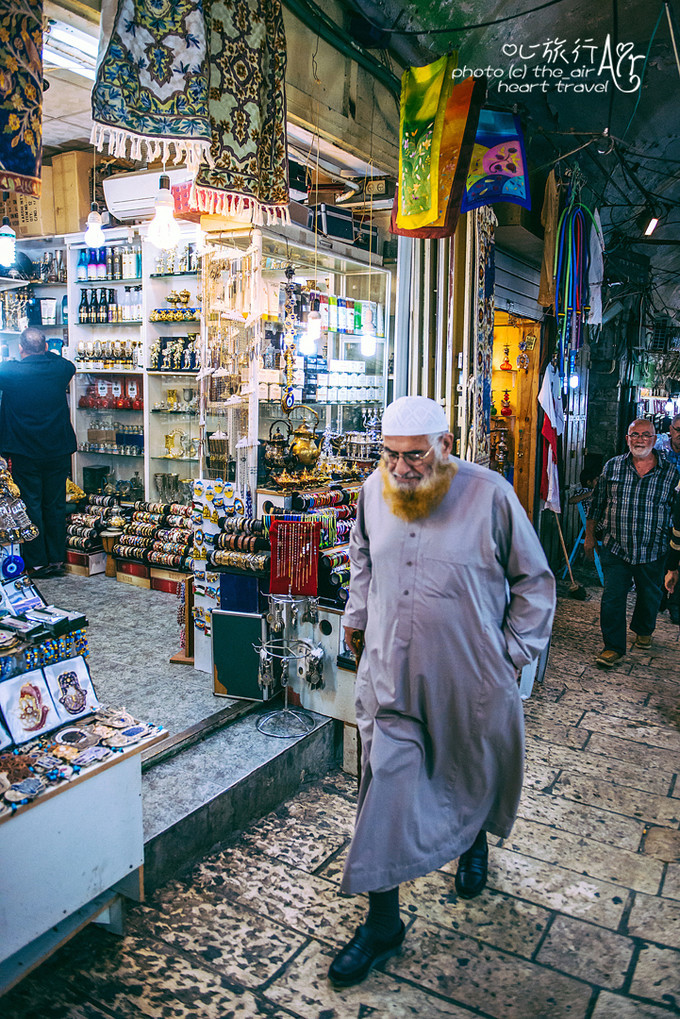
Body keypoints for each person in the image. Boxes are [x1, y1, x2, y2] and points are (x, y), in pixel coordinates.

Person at [328, 395, 556, 989]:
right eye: (391, 456)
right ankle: (383, 922)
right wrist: (356, 618)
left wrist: (511, 654)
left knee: (464, 765)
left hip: (466, 674)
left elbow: (534, 580)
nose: (401, 469)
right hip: (391, 672)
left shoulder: (490, 495)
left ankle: (472, 839)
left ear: (446, 445)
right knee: (385, 785)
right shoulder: (373, 492)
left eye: (415, 456)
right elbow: (362, 560)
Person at [584, 419, 679, 666]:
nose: (639, 439)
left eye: (645, 435)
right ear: (627, 438)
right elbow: (597, 504)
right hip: (616, 546)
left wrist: (673, 558)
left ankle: (643, 628)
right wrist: (590, 536)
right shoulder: (612, 467)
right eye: (634, 434)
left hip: (653, 548)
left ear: (655, 439)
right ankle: (613, 646)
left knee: (650, 596)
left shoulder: (670, 473)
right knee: (613, 597)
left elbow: (676, 513)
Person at [0, 328, 76, 576]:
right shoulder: (60, 369)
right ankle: (56, 559)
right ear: (45, 348)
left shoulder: (9, 372)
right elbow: (65, 362)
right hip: (57, 448)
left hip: (25, 449)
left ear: (21, 349)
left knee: (30, 504)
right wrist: (46, 353)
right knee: (54, 504)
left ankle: (37, 562)